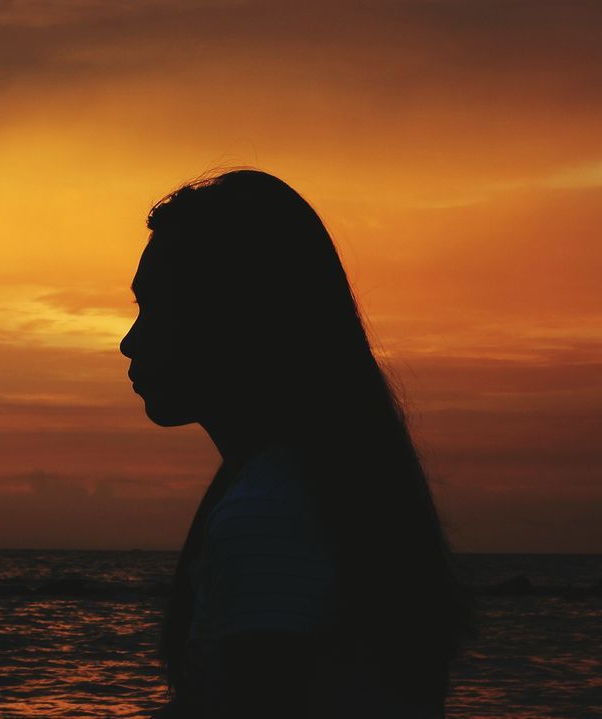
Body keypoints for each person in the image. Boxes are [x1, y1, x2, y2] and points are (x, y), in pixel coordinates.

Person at [119, 168, 477, 718]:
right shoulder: (320, 491)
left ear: (228, 318)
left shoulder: (267, 514)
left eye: (153, 308)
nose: (129, 341)